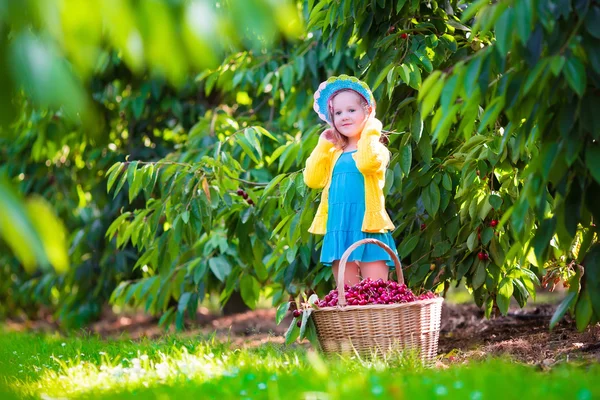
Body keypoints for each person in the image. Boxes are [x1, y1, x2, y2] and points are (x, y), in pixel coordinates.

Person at [304, 75, 397, 287]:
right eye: (337, 113)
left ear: (368, 112)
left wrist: (372, 129)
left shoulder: (376, 149)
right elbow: (313, 179)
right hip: (339, 227)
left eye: (351, 110)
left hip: (368, 227)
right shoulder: (334, 153)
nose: (344, 117)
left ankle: (380, 322)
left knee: (376, 294)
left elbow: (366, 164)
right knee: (349, 297)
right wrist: (322, 146)